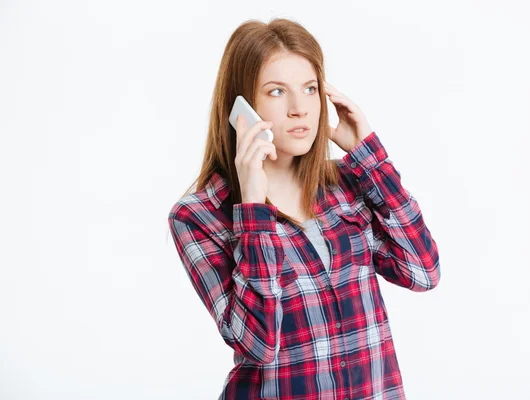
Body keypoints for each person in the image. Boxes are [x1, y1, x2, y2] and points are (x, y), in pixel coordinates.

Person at [167, 17, 441, 400]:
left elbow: (423, 271)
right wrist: (253, 209)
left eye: (310, 89)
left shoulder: (348, 184)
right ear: (240, 107)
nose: (300, 108)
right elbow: (258, 345)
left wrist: (369, 157)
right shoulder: (198, 216)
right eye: (277, 92)